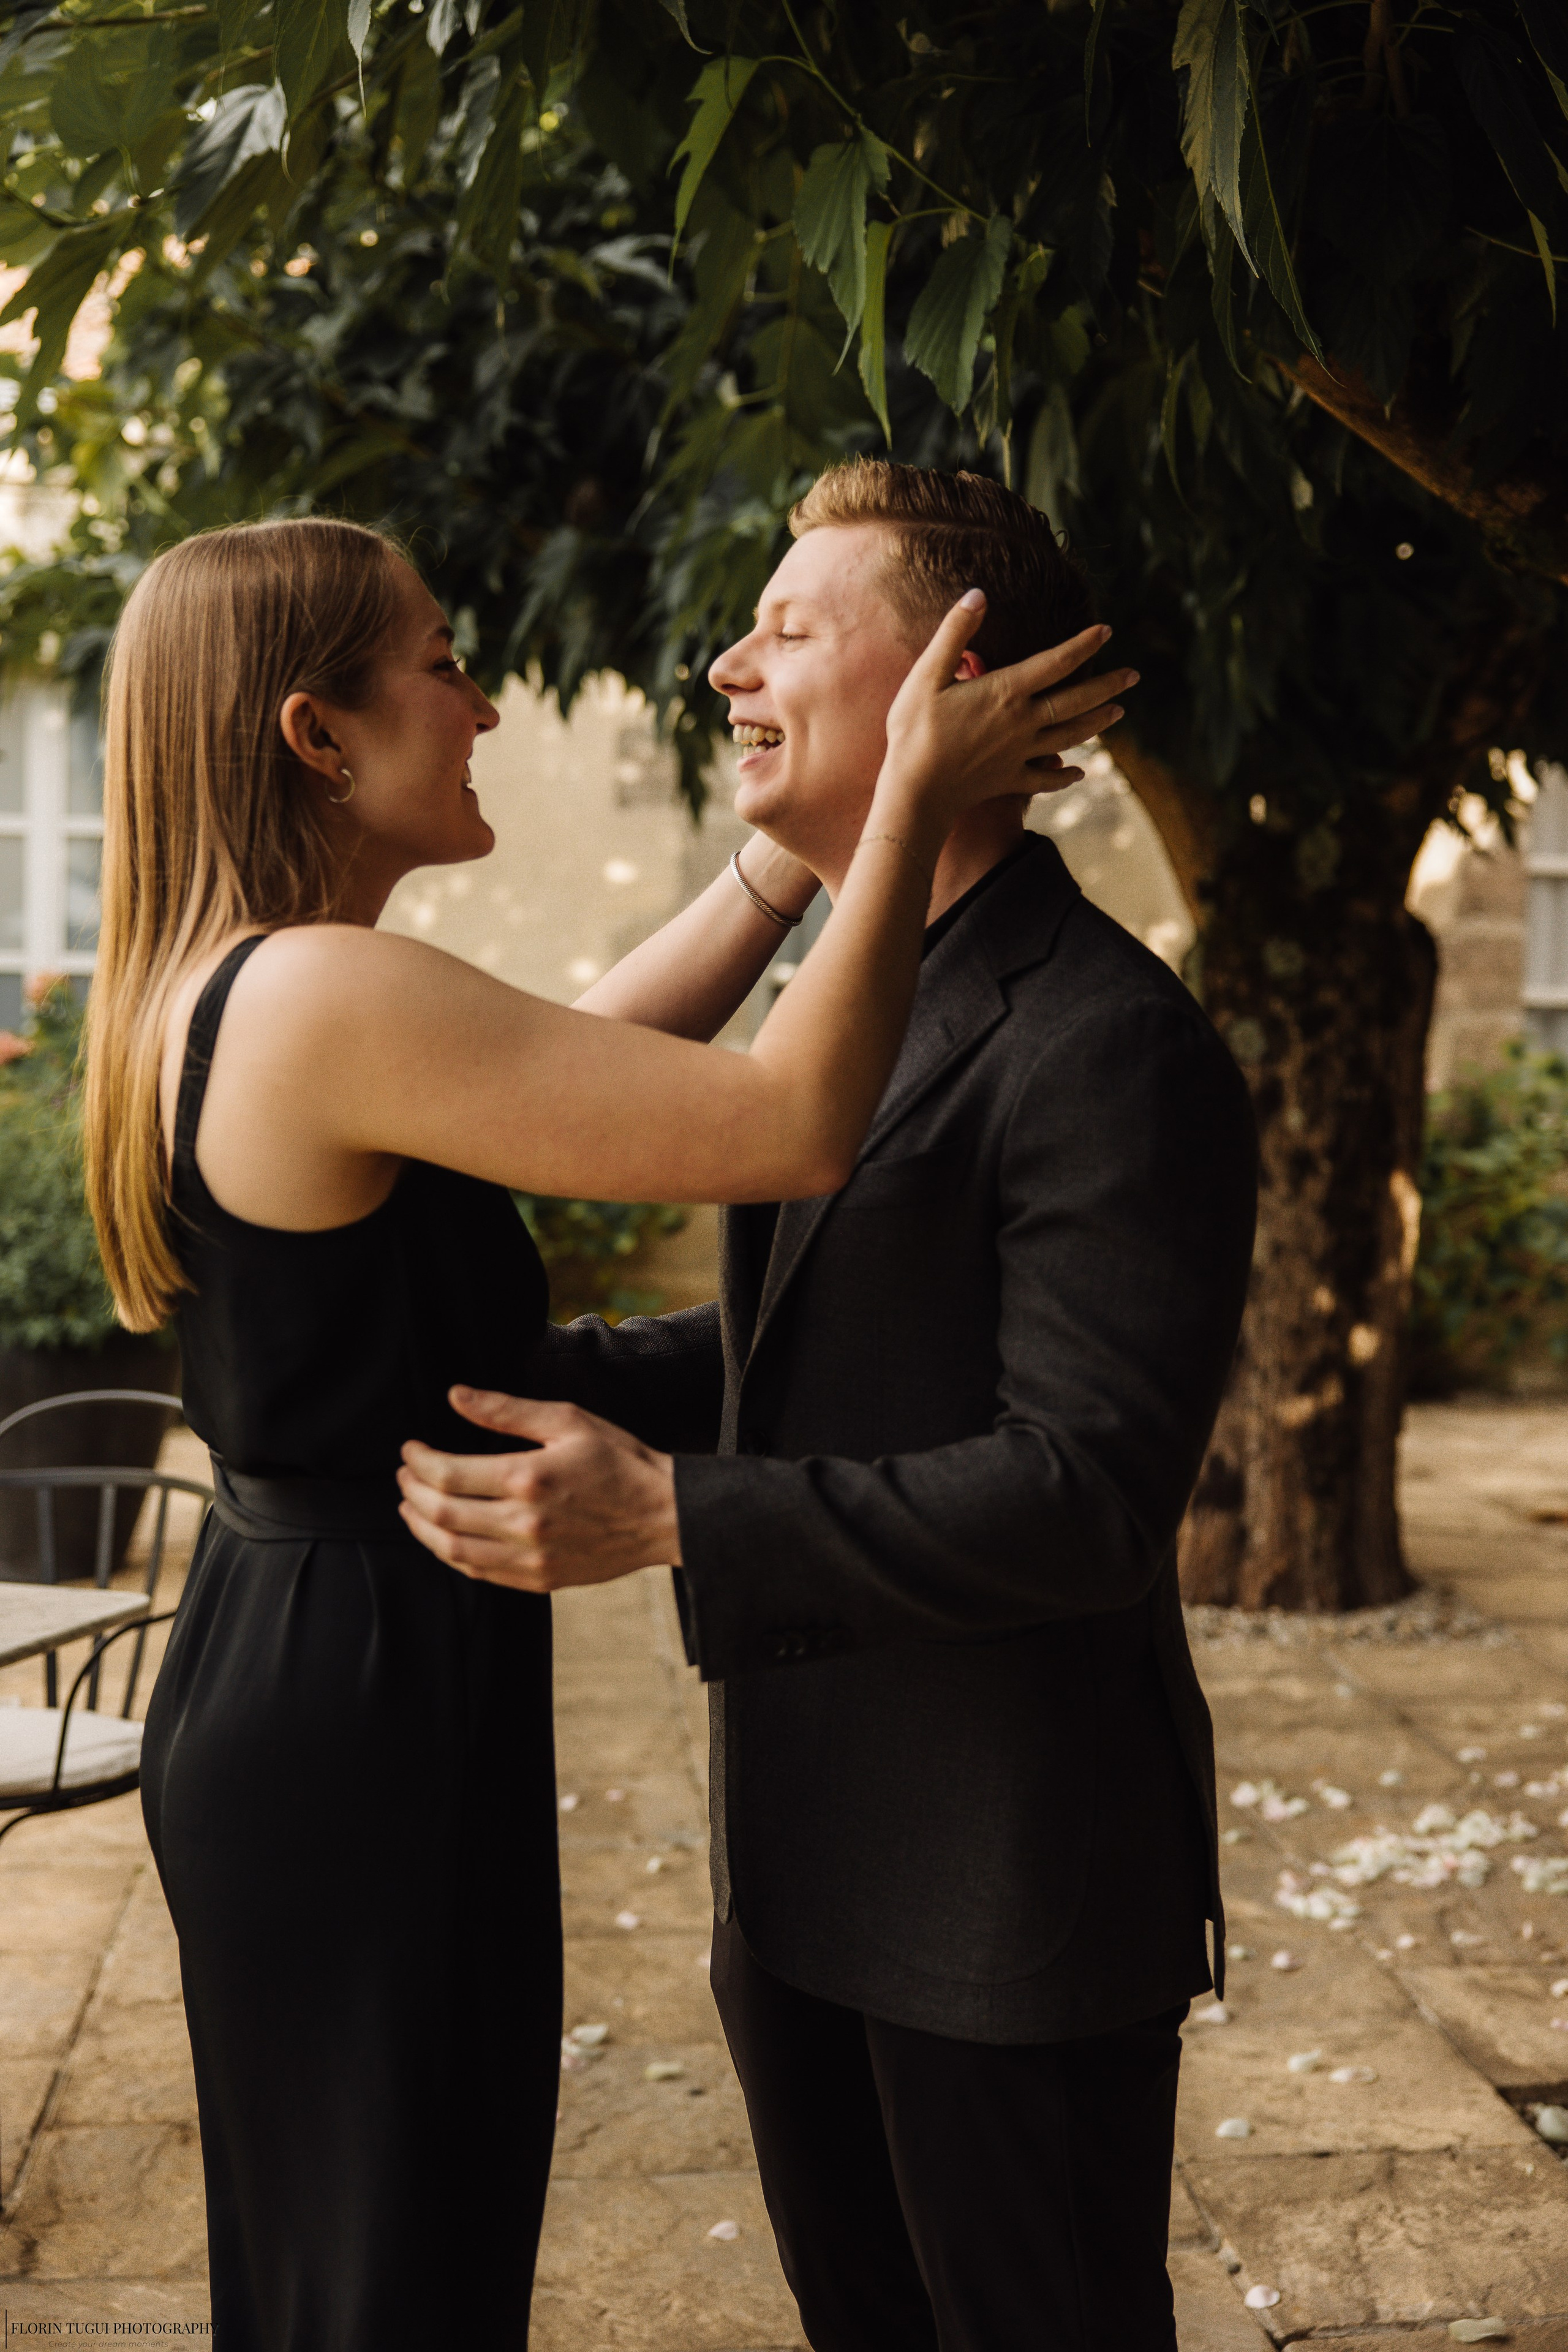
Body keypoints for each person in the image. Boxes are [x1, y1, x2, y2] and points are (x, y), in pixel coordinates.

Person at [81, 511, 1123, 2352]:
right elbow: (793, 1121)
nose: (479, 703)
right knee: (392, 2268)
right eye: (438, 663)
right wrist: (889, 801)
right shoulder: (326, 993)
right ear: (319, 736)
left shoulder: (249, 978)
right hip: (355, 1697)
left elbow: (569, 1057)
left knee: (365, 2253)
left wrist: (782, 873)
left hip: (305, 1658)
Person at [397, 459, 1258, 2352]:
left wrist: (672, 1516)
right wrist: (538, 1379)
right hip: (800, 1878)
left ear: (956, 675)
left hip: (1001, 1909)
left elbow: (1084, 1488)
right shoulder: (864, 988)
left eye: (788, 628)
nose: (725, 665)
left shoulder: (1108, 1041)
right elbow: (841, 1339)